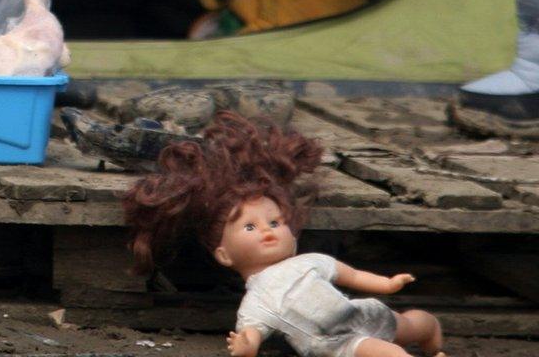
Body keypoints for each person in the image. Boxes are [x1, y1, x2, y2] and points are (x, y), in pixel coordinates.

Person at [123, 115, 447, 357]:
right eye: (250, 227)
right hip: (334, 342)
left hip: (360, 313)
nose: (266, 230)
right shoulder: (258, 300)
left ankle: (430, 332)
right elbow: (252, 331)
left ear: (292, 234)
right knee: (383, 351)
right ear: (224, 255)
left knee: (409, 326)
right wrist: (245, 346)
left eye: (275, 223)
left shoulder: (309, 261)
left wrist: (387, 284)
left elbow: (352, 275)